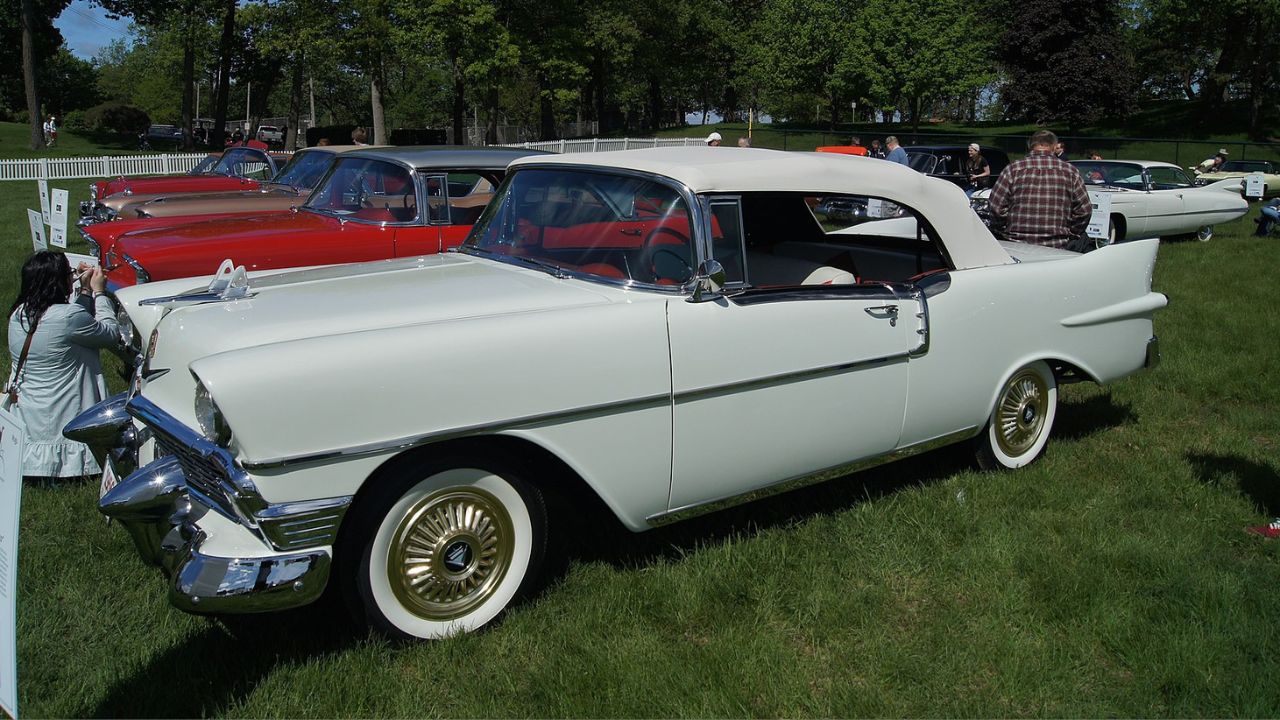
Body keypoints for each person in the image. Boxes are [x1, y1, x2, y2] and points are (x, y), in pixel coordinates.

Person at [5, 251, 121, 479]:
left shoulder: (18, 314)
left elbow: (74, 319)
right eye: (68, 273)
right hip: (65, 410)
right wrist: (99, 293)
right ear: (57, 282)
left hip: (30, 414)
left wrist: (85, 289)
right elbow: (110, 334)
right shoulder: (68, 317)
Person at [987, 129, 1091, 249]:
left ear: (1030, 146)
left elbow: (996, 208)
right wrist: (1071, 233)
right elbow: (1084, 210)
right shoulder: (1070, 171)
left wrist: (1004, 231)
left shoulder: (1012, 169)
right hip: (1058, 245)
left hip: (1016, 245)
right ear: (1054, 146)